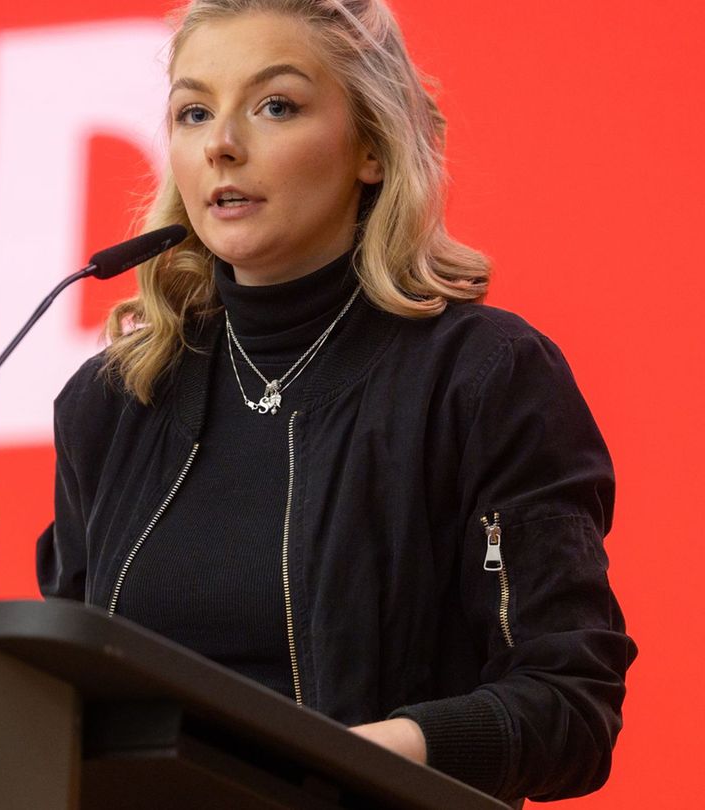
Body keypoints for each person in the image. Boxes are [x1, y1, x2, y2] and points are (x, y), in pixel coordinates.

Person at [36, 0, 636, 802]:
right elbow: (60, 703)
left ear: (371, 150)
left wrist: (341, 757)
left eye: (275, 105)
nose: (222, 144)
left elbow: (569, 707)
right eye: (193, 111)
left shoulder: (482, 378)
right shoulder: (114, 403)